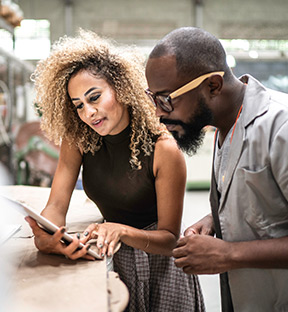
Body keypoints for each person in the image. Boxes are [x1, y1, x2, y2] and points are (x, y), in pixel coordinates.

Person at [145, 26, 288, 311]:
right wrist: (217, 218)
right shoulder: (225, 128)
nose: (158, 112)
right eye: (153, 99)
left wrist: (230, 253)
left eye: (166, 99)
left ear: (213, 85)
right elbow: (270, 199)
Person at [27, 29, 205, 312]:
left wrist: (121, 231)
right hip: (111, 257)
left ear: (121, 89)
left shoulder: (163, 150)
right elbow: (56, 206)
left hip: (160, 268)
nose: (88, 113)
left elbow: (170, 240)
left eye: (94, 97)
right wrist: (46, 237)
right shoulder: (79, 140)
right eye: (78, 106)